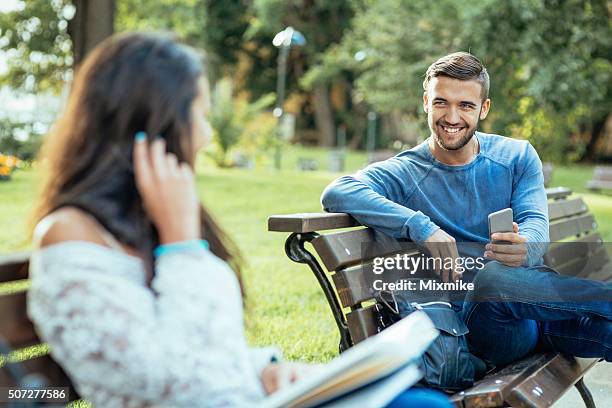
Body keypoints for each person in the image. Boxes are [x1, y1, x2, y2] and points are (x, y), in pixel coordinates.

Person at [27, 32, 451, 408]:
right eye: (200, 115)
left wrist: (266, 370)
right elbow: (158, 380)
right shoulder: (71, 235)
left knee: (422, 403)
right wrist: (181, 245)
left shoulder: (150, 221)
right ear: (155, 126)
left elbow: (205, 350)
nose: (207, 135)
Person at [321, 52, 611, 368]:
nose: (452, 117)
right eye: (442, 102)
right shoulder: (407, 171)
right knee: (491, 281)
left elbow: (535, 223)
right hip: (483, 331)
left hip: (539, 314)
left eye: (466, 105)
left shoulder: (517, 156)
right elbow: (338, 191)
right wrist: (421, 227)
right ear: (426, 103)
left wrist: (525, 247)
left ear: (484, 108)